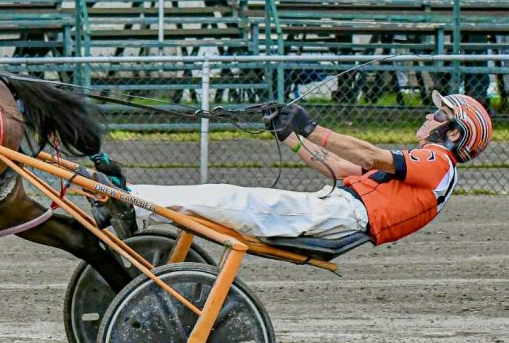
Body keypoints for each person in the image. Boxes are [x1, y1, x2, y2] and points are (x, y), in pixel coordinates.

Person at [126, 91, 493, 244]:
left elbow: (368, 156)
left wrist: (311, 128)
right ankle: (135, 202)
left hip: (344, 213)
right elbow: (338, 168)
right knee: (230, 199)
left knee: (231, 199)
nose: (430, 115)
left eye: (439, 115)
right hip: (340, 207)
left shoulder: (438, 161)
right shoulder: (429, 169)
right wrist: (288, 135)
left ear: (453, 132)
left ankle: (131, 200)